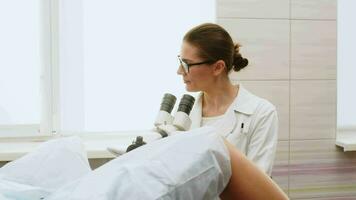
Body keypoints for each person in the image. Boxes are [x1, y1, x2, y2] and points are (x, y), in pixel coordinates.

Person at [177, 23, 278, 175]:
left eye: (187, 64)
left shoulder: (261, 113)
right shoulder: (184, 114)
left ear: (217, 67)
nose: (179, 71)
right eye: (180, 61)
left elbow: (257, 185)